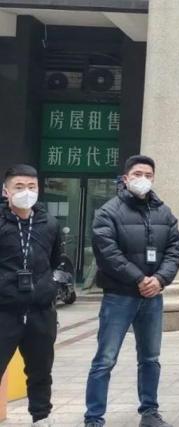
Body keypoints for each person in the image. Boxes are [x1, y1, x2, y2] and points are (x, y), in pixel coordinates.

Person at [84, 155, 179, 427]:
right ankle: (94, 417)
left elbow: (174, 249)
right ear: (126, 178)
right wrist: (138, 278)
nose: (143, 179)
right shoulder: (108, 212)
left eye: (148, 175)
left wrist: (160, 279)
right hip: (119, 296)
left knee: (150, 358)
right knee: (105, 359)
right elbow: (108, 253)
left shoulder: (163, 212)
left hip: (152, 297)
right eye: (138, 174)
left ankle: (149, 412)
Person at [0, 164, 61, 426]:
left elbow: (55, 259)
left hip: (40, 311)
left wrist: (49, 286)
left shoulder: (50, 224)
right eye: (19, 187)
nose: (26, 192)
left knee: (40, 369)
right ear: (6, 191)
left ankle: (41, 417)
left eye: (31, 187)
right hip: (5, 310)